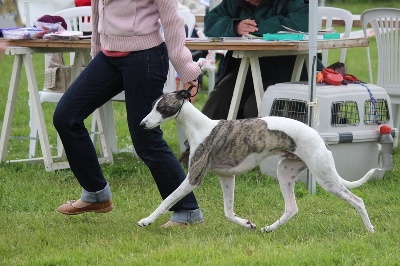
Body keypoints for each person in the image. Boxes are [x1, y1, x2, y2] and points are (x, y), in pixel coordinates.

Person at [54, 0, 204, 228]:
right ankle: (96, 193)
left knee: (146, 139)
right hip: (108, 57)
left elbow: (172, 21)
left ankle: (187, 210)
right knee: (66, 116)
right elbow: (98, 10)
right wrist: (96, 54)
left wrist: (185, 68)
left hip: (146, 57)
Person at [201, 0, 323, 119]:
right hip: (246, 69)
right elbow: (210, 22)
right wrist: (235, 26)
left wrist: (257, 27)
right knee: (218, 101)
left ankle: (252, 139)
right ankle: (204, 140)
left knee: (256, 107)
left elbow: (305, 21)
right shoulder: (233, 2)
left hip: (286, 71)